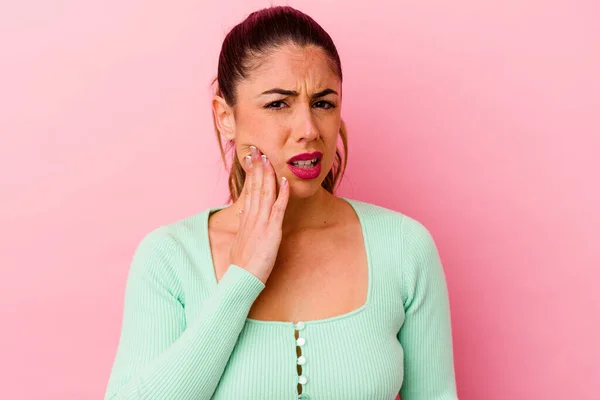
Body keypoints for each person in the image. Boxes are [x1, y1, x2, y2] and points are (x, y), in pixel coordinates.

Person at [104, 5, 459, 400]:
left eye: (323, 103)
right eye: (278, 104)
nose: (308, 130)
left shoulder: (405, 247)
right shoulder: (170, 258)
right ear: (225, 116)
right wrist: (243, 278)